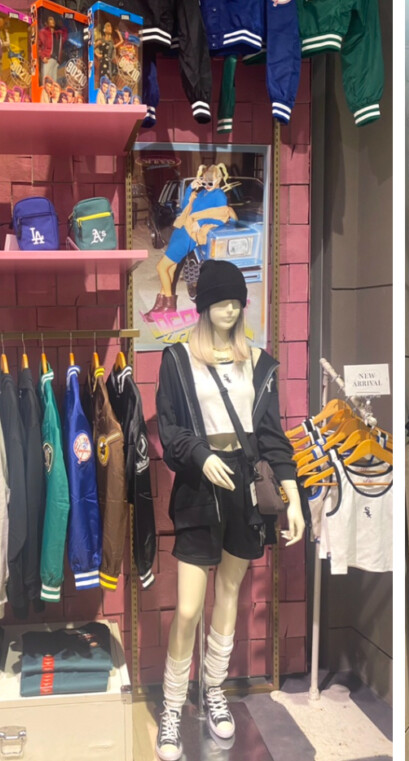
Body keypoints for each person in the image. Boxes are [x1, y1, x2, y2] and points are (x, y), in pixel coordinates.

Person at [153, 260, 303, 760]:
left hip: (244, 484)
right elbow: (169, 430)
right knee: (188, 608)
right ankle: (172, 705)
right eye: (220, 302)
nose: (230, 310)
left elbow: (272, 436)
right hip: (199, 485)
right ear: (203, 306)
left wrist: (292, 495)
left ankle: (213, 688)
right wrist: (200, 454)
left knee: (230, 594)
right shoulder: (177, 360)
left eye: (236, 302)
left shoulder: (257, 362)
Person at [147, 165, 238, 319]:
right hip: (181, 230)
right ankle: (160, 304)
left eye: (210, 182)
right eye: (205, 182)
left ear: (218, 180)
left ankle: (169, 305)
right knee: (170, 268)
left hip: (189, 235)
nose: (207, 185)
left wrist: (201, 222)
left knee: (161, 267)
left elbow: (222, 218)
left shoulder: (219, 195)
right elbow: (185, 208)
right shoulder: (201, 193)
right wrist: (191, 188)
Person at [38, 14, 64, 86]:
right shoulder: (43, 32)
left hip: (56, 60)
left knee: (54, 81)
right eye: (50, 19)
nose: (52, 21)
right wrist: (43, 57)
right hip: (48, 58)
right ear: (47, 22)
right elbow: (39, 46)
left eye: (53, 20)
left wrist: (59, 59)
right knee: (46, 81)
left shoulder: (57, 33)